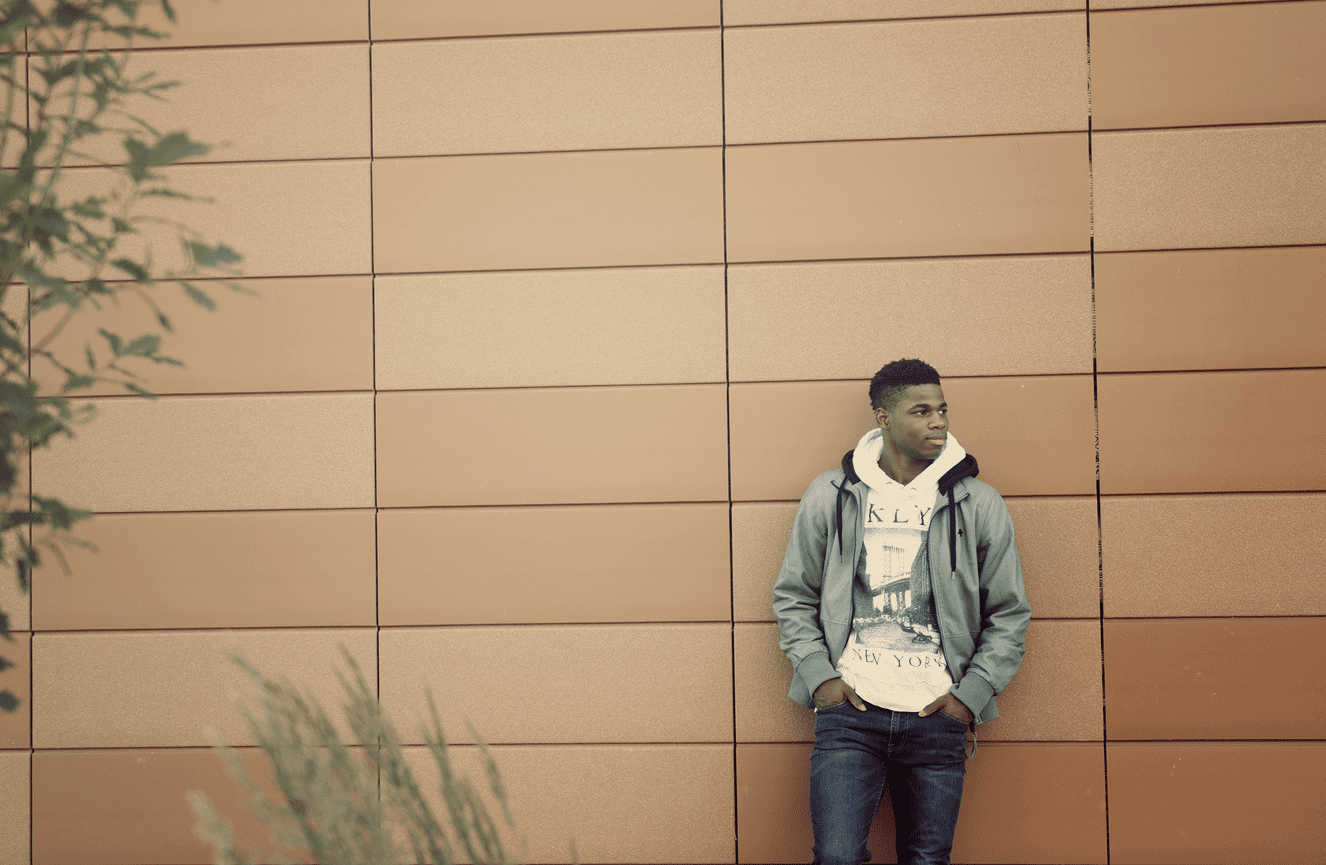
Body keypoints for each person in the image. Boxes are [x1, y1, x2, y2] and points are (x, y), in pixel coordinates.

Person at [772, 358, 1030, 865]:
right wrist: (821, 678)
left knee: (928, 858)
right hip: (849, 714)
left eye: (943, 409)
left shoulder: (977, 503)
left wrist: (969, 696)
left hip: (938, 715)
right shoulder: (831, 495)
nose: (940, 421)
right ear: (884, 418)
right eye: (922, 411)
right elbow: (793, 595)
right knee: (837, 856)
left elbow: (1009, 612)